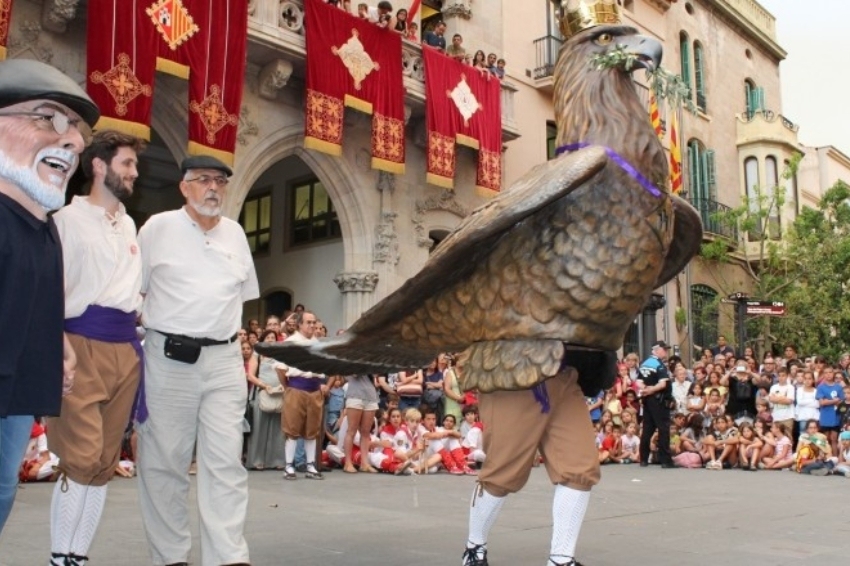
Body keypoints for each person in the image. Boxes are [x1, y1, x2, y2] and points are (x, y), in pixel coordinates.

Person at [136, 154, 258, 566]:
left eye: (221, 181)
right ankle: (170, 556)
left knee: (226, 462)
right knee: (165, 461)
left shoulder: (236, 233)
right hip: (170, 359)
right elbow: (136, 291)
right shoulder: (159, 228)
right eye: (204, 179)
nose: (213, 188)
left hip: (224, 359)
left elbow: (238, 298)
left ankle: (228, 557)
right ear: (184, 186)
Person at [0, 59, 98, 535]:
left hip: (16, 388)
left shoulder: (44, 227)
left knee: (2, 489)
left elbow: (37, 298)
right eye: (49, 118)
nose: (73, 141)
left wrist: (57, 345)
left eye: (76, 129)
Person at [47, 129, 146, 565]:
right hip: (79, 342)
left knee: (105, 460)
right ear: (100, 166)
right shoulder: (65, 221)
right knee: (80, 456)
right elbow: (50, 291)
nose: (135, 173)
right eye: (128, 164)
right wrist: (58, 345)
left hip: (125, 346)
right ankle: (58, 556)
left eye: (136, 166)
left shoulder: (129, 223)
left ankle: (78, 555)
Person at [279, 310, 327, 480]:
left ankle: (310, 465)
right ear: (299, 324)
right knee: (292, 428)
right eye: (309, 322)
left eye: (314, 322)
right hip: (296, 387)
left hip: (314, 389)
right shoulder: (290, 343)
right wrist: (288, 387)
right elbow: (280, 368)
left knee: (312, 429)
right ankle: (289, 466)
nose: (312, 325)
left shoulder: (318, 344)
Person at [637, 341, 675, 468]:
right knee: (663, 429)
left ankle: (643, 459)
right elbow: (663, 384)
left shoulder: (644, 363)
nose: (666, 352)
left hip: (647, 400)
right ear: (657, 350)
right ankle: (665, 460)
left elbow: (638, 381)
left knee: (647, 429)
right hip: (659, 400)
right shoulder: (659, 365)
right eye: (664, 349)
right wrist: (651, 389)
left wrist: (645, 389)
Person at [342, 372, 379, 474]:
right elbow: (352, 374)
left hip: (371, 395)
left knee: (366, 432)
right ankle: (348, 463)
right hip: (355, 394)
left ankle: (364, 463)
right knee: (352, 430)